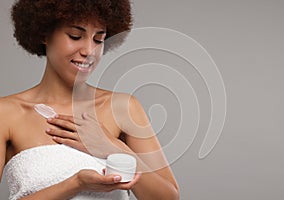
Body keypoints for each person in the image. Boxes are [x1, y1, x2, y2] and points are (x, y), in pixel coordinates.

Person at [0, 0, 179, 199]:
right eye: (75, 36)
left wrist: (112, 147)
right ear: (44, 34)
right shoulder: (6, 113)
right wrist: (75, 184)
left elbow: (168, 197)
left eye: (98, 39)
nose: (88, 51)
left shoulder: (122, 108)